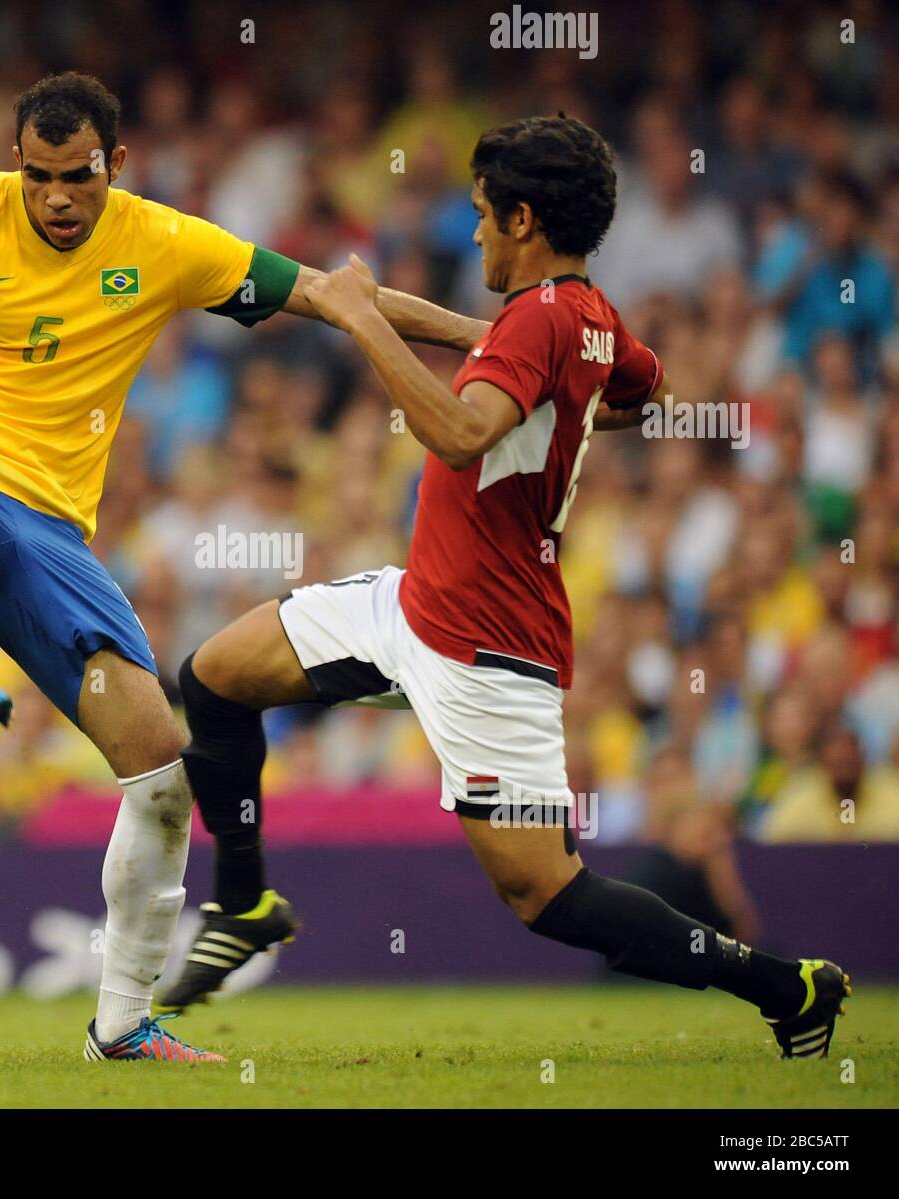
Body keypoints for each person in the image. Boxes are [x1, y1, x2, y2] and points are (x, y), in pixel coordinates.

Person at [0, 73, 488, 1064]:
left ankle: (121, 1022)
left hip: (46, 530)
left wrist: (487, 338)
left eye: (76, 177)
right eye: (36, 177)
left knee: (162, 769)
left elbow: (338, 297)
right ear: (16, 160)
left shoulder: (165, 244)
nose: (55, 199)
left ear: (115, 164)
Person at [159, 115, 850, 1061]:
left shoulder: (544, 319)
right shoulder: (589, 318)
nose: (475, 232)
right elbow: (643, 386)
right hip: (415, 605)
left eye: (483, 215)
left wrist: (364, 321)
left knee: (546, 894)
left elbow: (456, 433)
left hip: (490, 647)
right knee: (213, 675)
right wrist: (553, 416)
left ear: (522, 219)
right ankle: (243, 904)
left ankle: (786, 984)